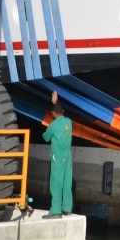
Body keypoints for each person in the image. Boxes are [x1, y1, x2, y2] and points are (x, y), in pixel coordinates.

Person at [43, 89, 74, 218]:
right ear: (63, 112)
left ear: (53, 113)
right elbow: (58, 111)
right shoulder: (68, 122)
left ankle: (55, 211)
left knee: (56, 182)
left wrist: (54, 105)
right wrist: (56, 103)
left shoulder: (53, 125)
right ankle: (67, 208)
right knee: (67, 182)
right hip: (68, 155)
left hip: (58, 155)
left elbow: (46, 137)